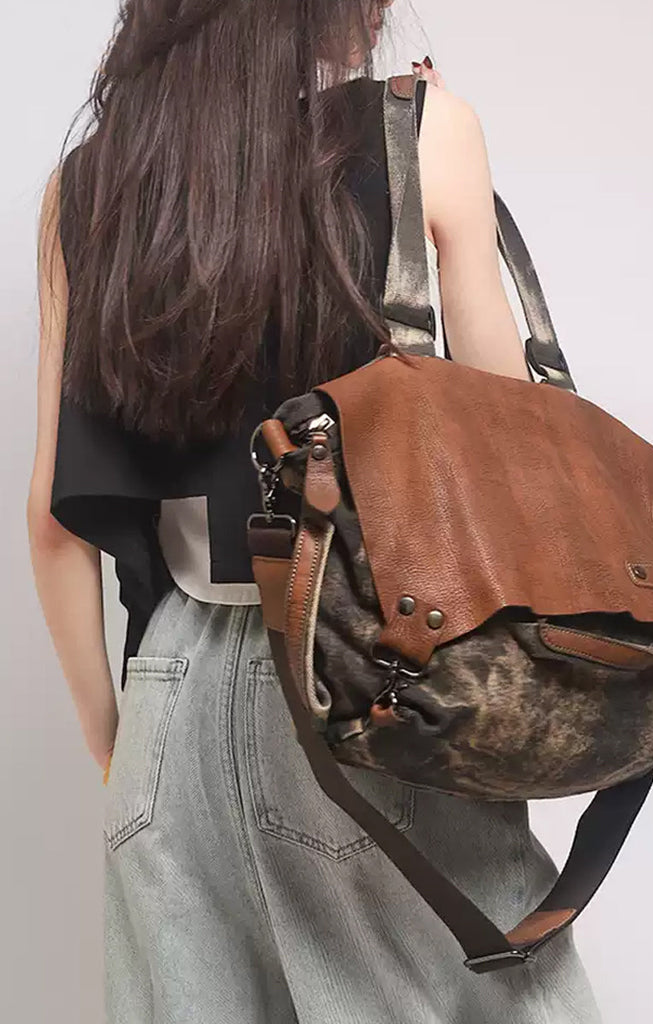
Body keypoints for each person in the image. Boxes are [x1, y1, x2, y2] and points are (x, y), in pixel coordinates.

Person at [27, 2, 602, 1021]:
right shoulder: (418, 129)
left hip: (169, 694)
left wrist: (114, 743)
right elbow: (508, 445)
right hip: (369, 674)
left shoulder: (89, 188)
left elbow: (53, 523)